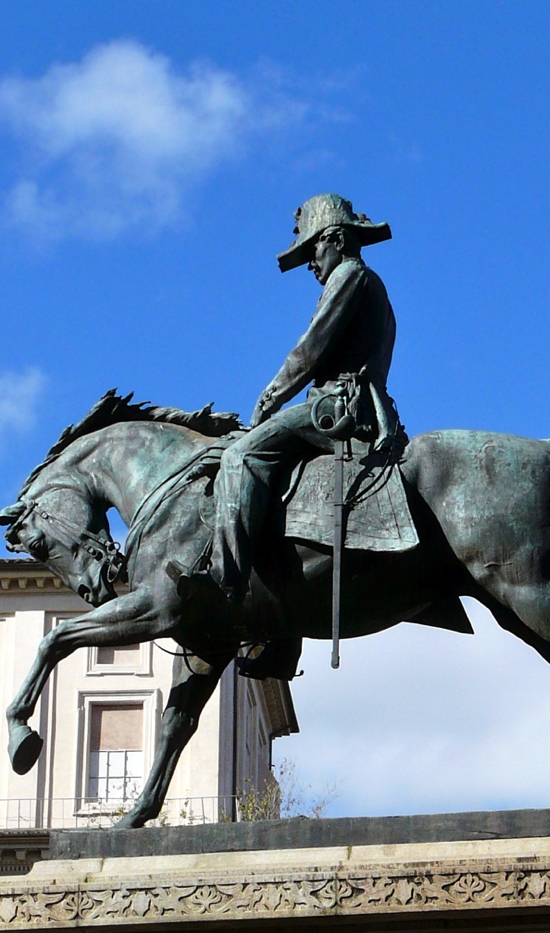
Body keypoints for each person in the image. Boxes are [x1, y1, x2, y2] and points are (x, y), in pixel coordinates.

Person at [169, 193, 400, 616]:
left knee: (241, 455)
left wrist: (269, 399)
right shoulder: (369, 282)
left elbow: (309, 351)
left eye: (312, 250)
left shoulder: (349, 275)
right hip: (358, 403)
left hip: (338, 406)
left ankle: (226, 581)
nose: (311, 263)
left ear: (335, 240)